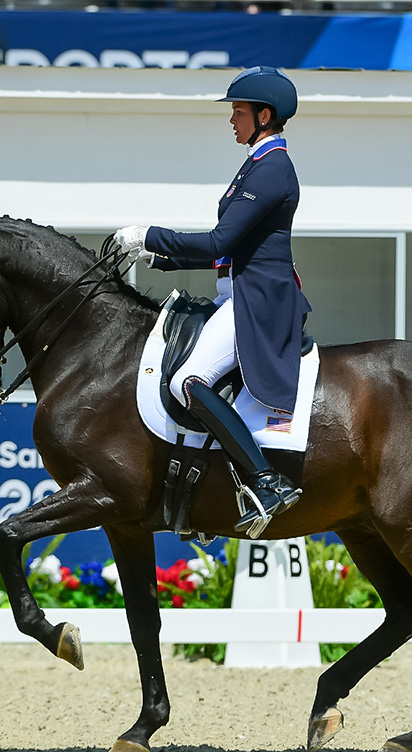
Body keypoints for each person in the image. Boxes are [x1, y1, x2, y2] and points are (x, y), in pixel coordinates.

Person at [114, 65, 310, 535]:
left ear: (265, 115)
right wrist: (157, 259)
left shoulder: (272, 169)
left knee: (188, 378)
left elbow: (219, 240)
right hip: (237, 293)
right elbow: (235, 249)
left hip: (256, 303)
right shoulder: (257, 164)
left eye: (239, 112)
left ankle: (265, 482)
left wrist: (153, 234)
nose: (232, 120)